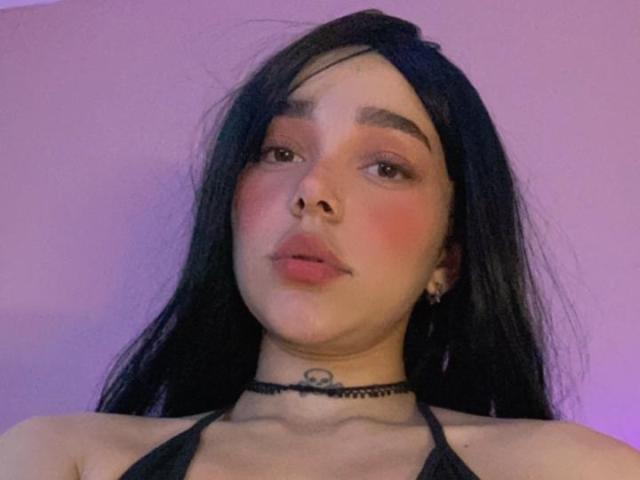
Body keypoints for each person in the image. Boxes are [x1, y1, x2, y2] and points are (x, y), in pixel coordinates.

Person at [1, 8, 639, 480]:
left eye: (386, 166)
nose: (312, 190)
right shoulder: (62, 459)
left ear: (448, 258)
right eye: (280, 152)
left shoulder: (574, 470)